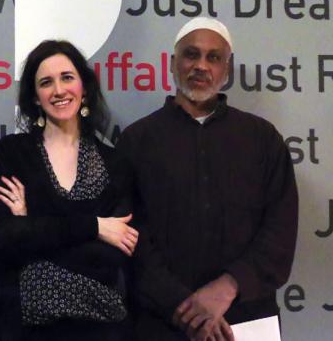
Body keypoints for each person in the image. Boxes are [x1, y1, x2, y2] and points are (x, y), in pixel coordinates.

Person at [114, 17, 298, 340]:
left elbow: (280, 231)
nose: (201, 66)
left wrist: (228, 286)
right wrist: (185, 307)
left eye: (213, 57)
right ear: (173, 64)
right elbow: (129, 235)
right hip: (160, 322)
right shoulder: (137, 141)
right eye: (191, 54)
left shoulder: (262, 139)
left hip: (246, 320)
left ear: (226, 69)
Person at [0, 40, 139, 341]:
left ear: (84, 88)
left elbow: (112, 256)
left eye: (67, 77)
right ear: (36, 98)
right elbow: (1, 238)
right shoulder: (13, 154)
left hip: (99, 331)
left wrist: (31, 225)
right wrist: (94, 226)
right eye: (46, 82)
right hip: (20, 330)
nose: (59, 90)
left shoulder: (114, 164)